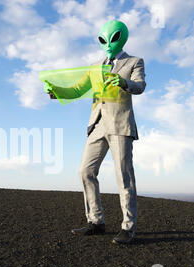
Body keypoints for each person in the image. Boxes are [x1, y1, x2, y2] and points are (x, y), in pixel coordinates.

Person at [44, 20, 146, 244]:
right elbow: (77, 89)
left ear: (122, 37)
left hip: (120, 124)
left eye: (112, 37)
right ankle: (96, 221)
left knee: (124, 176)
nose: (108, 43)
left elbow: (139, 86)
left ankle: (128, 227)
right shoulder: (94, 66)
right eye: (103, 39)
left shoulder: (134, 62)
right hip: (97, 125)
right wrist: (56, 92)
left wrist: (123, 81)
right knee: (85, 171)